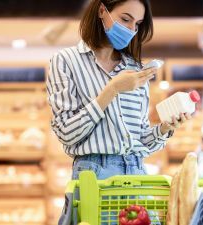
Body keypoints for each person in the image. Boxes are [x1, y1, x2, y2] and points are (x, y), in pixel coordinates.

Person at [46, 0, 191, 181]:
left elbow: (141, 142)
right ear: (101, 11)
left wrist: (164, 128)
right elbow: (66, 134)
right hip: (94, 174)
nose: (131, 29)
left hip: (136, 172)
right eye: (125, 19)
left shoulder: (136, 69)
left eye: (137, 24)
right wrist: (112, 89)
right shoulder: (66, 61)